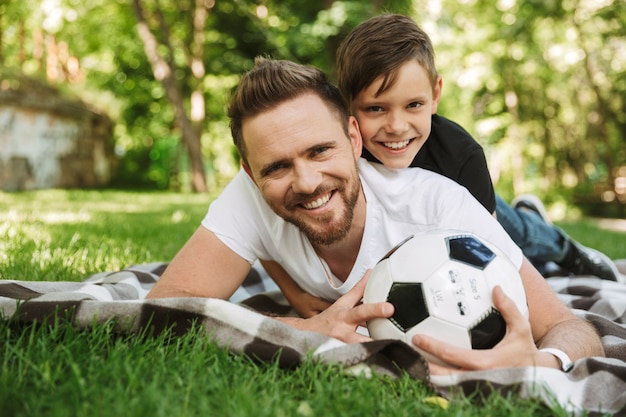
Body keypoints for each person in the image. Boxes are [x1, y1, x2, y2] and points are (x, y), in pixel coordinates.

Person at [147, 57, 604, 373]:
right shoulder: (246, 197)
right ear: (250, 172)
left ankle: (541, 229)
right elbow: (164, 307)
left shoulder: (440, 207)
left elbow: (570, 327)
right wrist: (302, 329)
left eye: (320, 150)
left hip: (490, 220)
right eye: (278, 167)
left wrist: (542, 362)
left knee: (526, 242)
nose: (306, 182)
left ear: (353, 137)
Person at [266, 13, 620, 318]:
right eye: (376, 108)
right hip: (416, 230)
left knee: (520, 235)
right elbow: (257, 228)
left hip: (473, 211)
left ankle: (564, 247)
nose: (396, 126)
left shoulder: (461, 155)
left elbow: (488, 253)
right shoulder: (333, 156)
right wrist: (294, 294)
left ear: (435, 95)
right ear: (348, 109)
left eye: (414, 105)